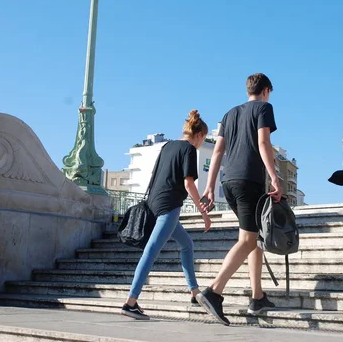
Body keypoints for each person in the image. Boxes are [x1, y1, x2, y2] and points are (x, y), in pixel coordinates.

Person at [196, 73, 282, 326]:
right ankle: (214, 290)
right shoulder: (264, 108)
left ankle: (257, 297)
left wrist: (210, 186)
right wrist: (274, 177)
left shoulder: (230, 113)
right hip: (249, 181)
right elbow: (264, 142)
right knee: (247, 240)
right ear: (266, 90)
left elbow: (218, 150)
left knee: (252, 237)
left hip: (229, 182)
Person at [121, 110, 212, 320]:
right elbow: (189, 183)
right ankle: (130, 302)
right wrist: (203, 213)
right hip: (169, 206)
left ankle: (194, 292)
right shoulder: (189, 149)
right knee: (151, 251)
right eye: (203, 139)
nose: (201, 143)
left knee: (186, 244)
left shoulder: (167, 146)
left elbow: (156, 176)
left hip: (155, 203)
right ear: (199, 135)